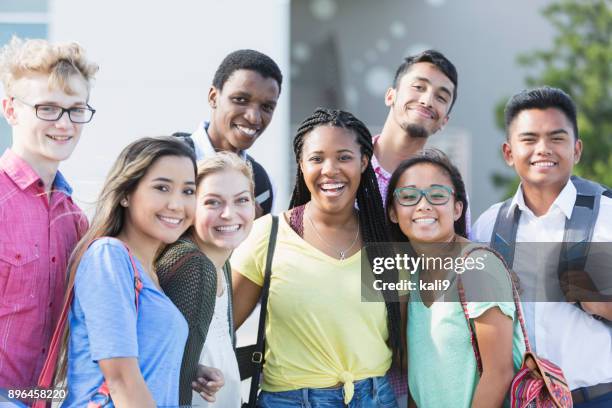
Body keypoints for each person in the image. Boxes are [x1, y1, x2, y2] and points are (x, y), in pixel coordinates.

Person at [232, 107, 401, 407]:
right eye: (317, 158)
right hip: (291, 400)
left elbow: (408, 340)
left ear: (364, 162)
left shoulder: (385, 241)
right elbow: (219, 328)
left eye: (344, 157)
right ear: (300, 163)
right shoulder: (267, 236)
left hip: (374, 397)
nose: (330, 169)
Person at [473, 87, 612, 407]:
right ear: (509, 153)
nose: (543, 149)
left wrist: (601, 302)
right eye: (529, 139)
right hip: (521, 400)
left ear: (576, 149)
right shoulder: (488, 226)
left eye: (556, 138)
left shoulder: (607, 216)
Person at [58, 137, 200, 407]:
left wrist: (194, 370)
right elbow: (121, 380)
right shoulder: (109, 257)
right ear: (125, 194)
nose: (176, 204)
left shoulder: (150, 272)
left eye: (188, 191)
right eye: (162, 187)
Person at [386, 149, 525, 407]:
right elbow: (421, 382)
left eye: (437, 195)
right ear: (393, 213)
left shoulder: (477, 267)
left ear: (458, 209)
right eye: (408, 196)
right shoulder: (413, 277)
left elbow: (499, 373)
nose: (423, 204)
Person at [0, 36, 97, 391]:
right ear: (10, 109)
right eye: (48, 108)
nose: (65, 123)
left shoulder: (75, 219)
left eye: (76, 109)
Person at [156, 152, 256, 407]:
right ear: (191, 208)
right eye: (213, 202)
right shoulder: (193, 266)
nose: (228, 214)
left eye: (241, 200)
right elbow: (169, 379)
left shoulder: (221, 263)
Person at [178, 49, 282, 216]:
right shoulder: (168, 162)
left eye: (266, 107)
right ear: (213, 97)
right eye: (240, 100)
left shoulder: (263, 187)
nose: (254, 117)